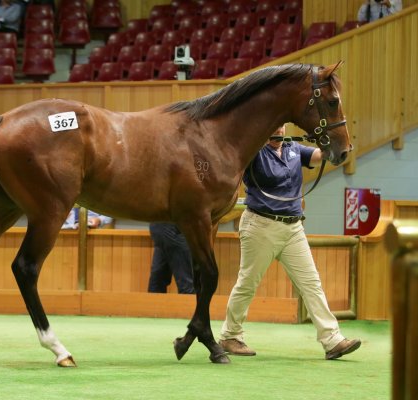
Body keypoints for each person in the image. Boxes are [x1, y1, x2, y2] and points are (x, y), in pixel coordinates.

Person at [219, 124, 361, 360]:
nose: (280, 130)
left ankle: (332, 340)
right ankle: (230, 335)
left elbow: (317, 156)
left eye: (282, 126)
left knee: (311, 283)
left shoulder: (293, 148)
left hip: (293, 228)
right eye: (274, 126)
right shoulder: (252, 151)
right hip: (260, 226)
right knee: (247, 283)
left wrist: (332, 145)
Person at [147, 223, 195, 294]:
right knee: (156, 285)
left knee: (186, 286)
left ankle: (190, 304)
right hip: (160, 237)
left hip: (173, 233)